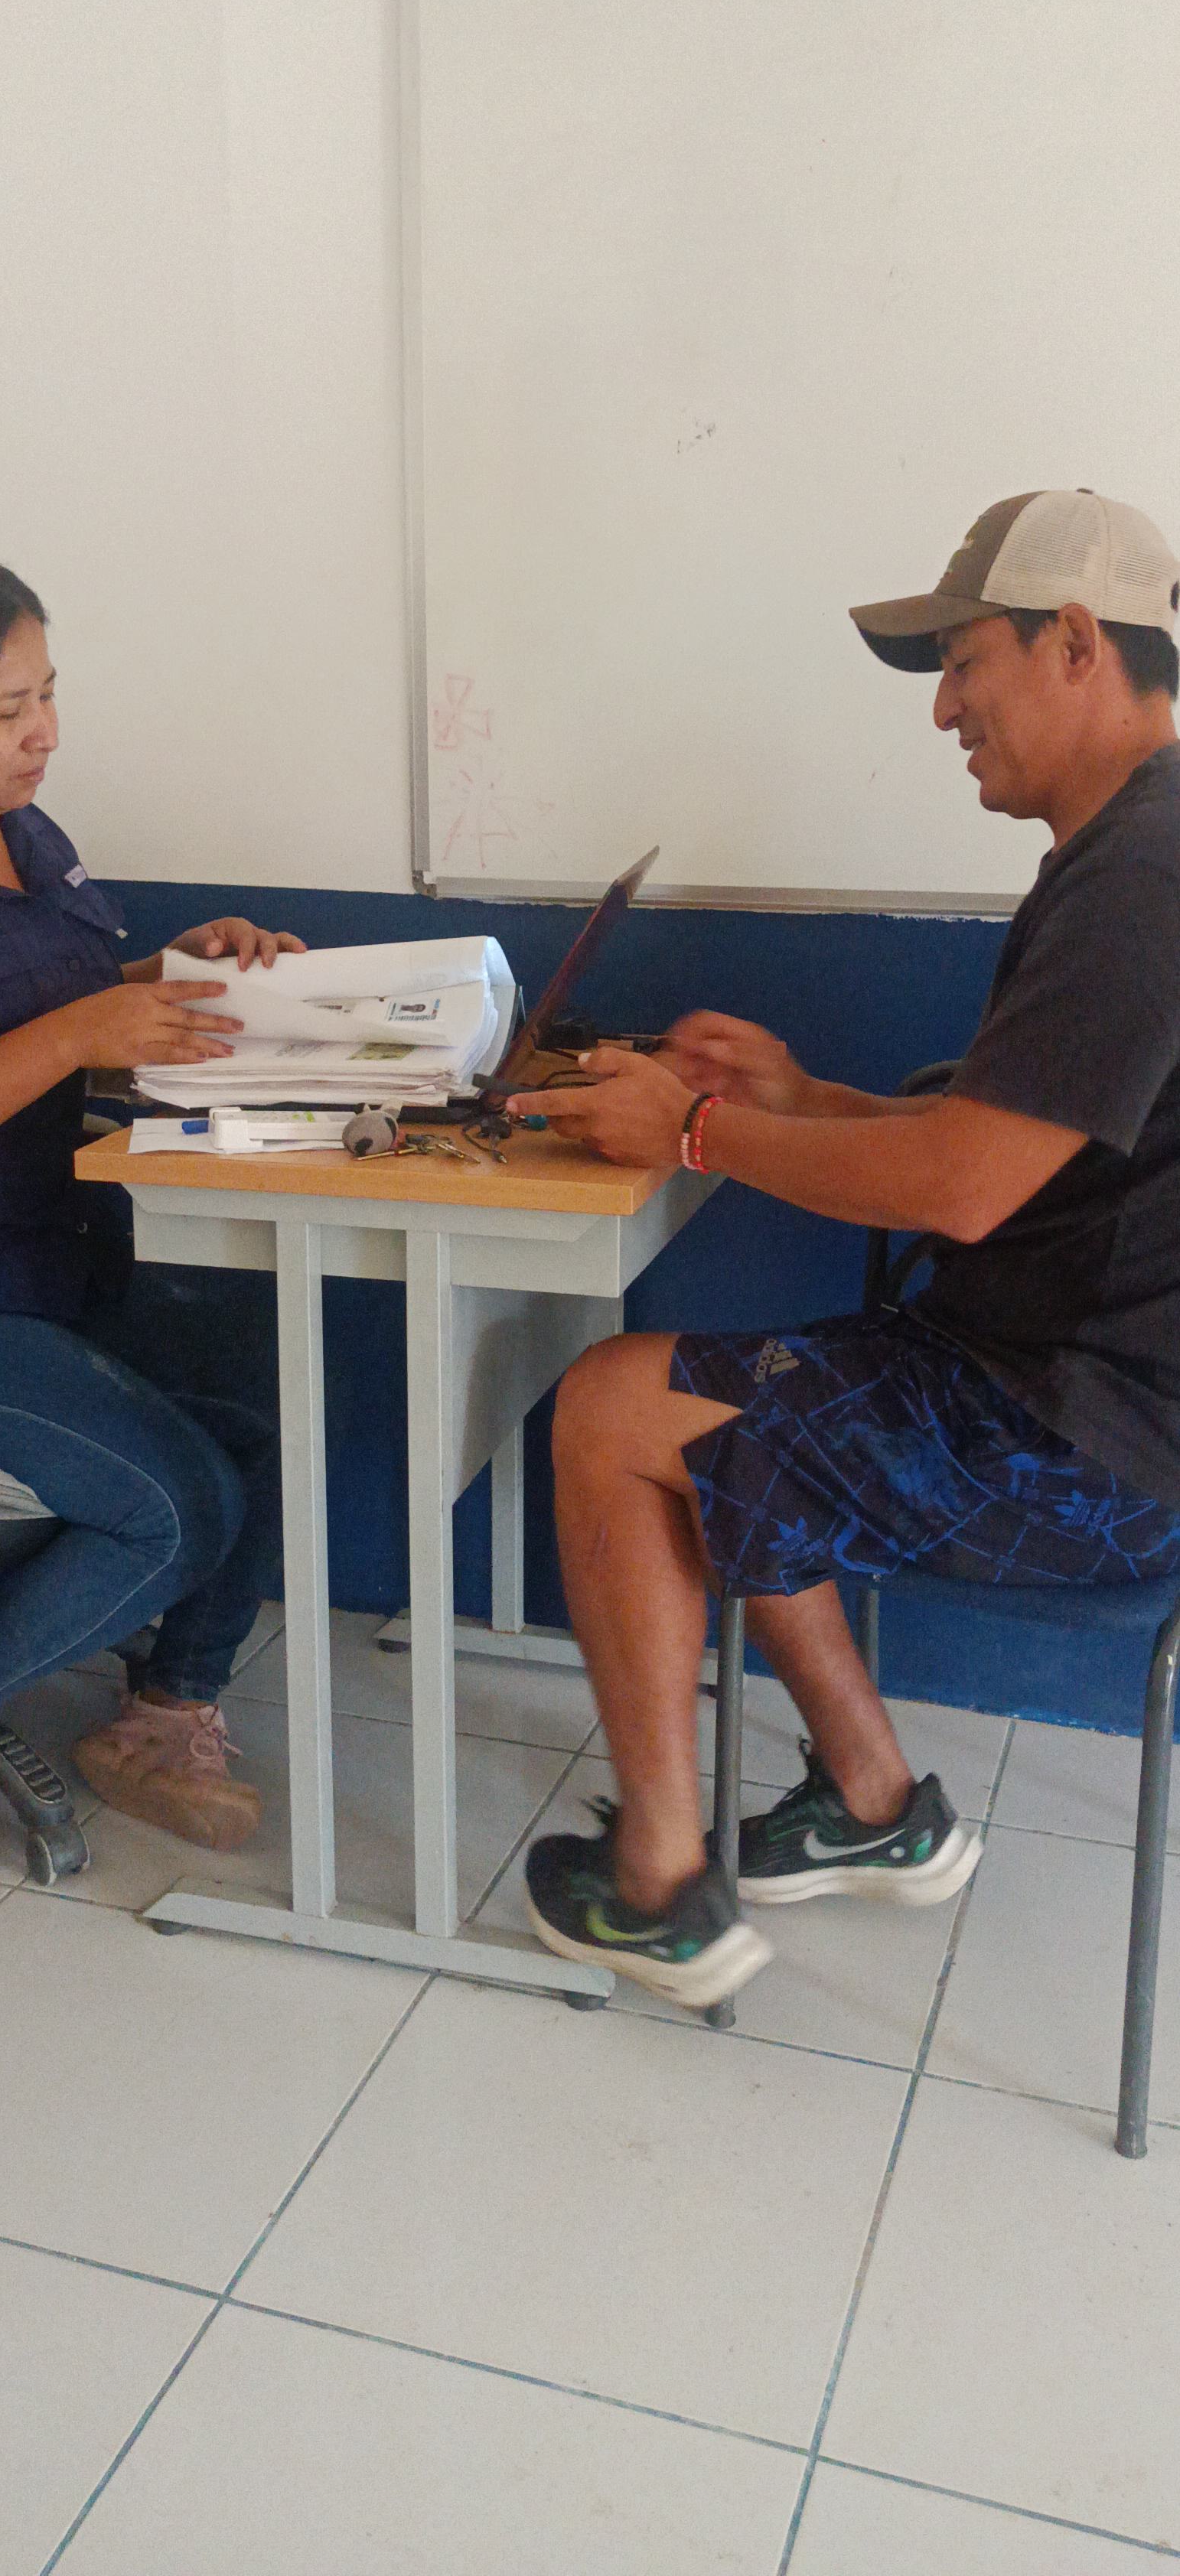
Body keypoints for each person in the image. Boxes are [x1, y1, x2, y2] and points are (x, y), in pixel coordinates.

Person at [506, 490, 1180, 2011]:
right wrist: (801, 1101)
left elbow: (962, 1188)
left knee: (615, 1408)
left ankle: (658, 1885)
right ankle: (874, 1802)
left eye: (966, 662)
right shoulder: (1133, 849)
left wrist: (695, 1130)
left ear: (1077, 643)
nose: (945, 709)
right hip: (1072, 1394)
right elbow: (1015, 1139)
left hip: (1084, 1449)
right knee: (752, 1400)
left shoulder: (1143, 875)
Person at [0, 546, 303, 1886]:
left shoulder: (30, 842)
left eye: (49, 695)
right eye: (7, 710)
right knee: (176, 1503)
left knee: (250, 1427)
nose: (45, 734)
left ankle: (160, 1719)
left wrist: (173, 977)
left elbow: (28, 1002)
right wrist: (84, 1029)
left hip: (33, 1268)